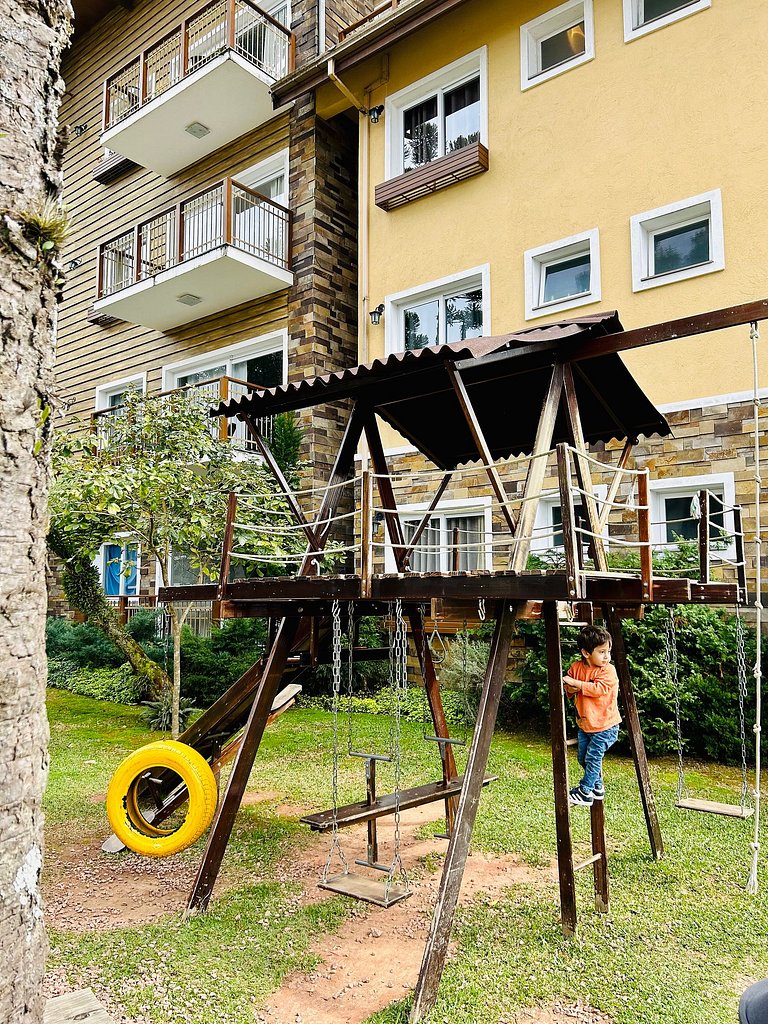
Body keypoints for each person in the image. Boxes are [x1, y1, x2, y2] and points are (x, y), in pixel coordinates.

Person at [563, 624, 621, 807]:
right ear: (586, 653)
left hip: (606, 726)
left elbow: (599, 689)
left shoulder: (608, 671)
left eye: (608, 651)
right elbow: (568, 686)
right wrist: (571, 687)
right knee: (582, 758)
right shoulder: (577, 668)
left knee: (593, 758)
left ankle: (585, 791)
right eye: (602, 652)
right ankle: (597, 787)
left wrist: (577, 685)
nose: (607, 657)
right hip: (586, 724)